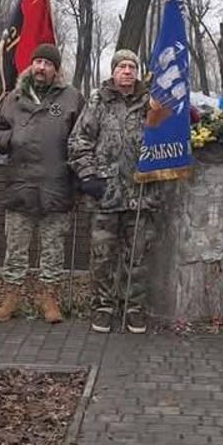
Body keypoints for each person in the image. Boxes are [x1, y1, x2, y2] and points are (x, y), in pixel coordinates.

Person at [0, 43, 84, 324]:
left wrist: (79, 179)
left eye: (47, 63)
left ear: (56, 69)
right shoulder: (13, 98)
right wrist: (12, 139)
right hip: (20, 185)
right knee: (16, 248)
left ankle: (49, 298)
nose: (41, 67)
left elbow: (82, 138)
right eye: (37, 62)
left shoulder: (72, 98)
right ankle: (12, 297)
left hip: (56, 186)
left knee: (53, 248)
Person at [68, 49, 160, 335]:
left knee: (137, 257)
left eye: (132, 66)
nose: (128, 71)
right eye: (122, 66)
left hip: (141, 191)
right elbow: (79, 141)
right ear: (114, 71)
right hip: (105, 193)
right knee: (103, 255)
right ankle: (103, 306)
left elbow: (168, 140)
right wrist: (88, 176)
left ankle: (133, 307)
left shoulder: (152, 102)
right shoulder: (98, 100)